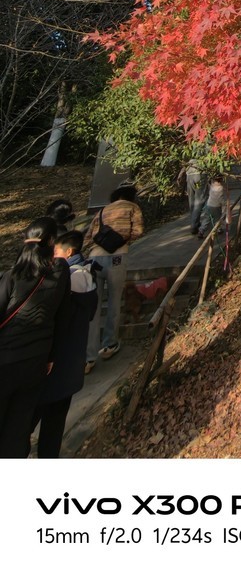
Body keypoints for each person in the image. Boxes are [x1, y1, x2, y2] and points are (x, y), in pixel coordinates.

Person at [0, 216, 69, 457]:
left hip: (4, 359)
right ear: (51, 242)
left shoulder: (11, 277)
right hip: (36, 361)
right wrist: (51, 356)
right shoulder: (60, 274)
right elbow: (62, 318)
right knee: (18, 426)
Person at [30, 229, 98, 458]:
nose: (53, 256)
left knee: (29, 420)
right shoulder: (86, 274)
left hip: (52, 366)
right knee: (54, 425)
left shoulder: (68, 278)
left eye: (56, 252)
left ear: (68, 252)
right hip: (70, 366)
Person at [84, 184, 144, 371]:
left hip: (94, 258)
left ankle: (88, 357)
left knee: (93, 307)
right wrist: (123, 241)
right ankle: (109, 344)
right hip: (117, 257)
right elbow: (138, 231)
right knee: (114, 301)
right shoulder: (133, 207)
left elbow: (88, 237)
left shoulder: (102, 211)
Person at [178, 158, 209, 236]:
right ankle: (194, 225)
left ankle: (196, 223)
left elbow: (185, 161)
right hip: (200, 175)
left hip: (190, 176)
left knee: (191, 200)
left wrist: (181, 173)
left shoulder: (190, 150)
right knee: (199, 200)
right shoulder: (206, 150)